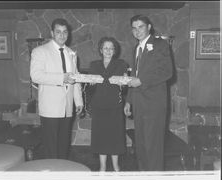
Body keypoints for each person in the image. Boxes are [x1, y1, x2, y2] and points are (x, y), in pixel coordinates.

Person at [124, 15, 173, 171]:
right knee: (141, 146)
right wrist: (128, 100)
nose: (137, 31)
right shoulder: (136, 48)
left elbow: (167, 72)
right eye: (134, 28)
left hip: (154, 104)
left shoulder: (161, 44)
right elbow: (134, 77)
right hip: (138, 103)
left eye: (141, 27)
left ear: (149, 27)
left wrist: (142, 81)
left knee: (153, 147)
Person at [30, 18, 83, 159]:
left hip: (67, 108)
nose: (62, 35)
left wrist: (78, 101)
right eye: (58, 32)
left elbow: (75, 78)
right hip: (50, 109)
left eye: (65, 32)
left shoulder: (71, 53)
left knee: (63, 147)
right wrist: (61, 78)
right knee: (51, 148)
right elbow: (36, 76)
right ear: (52, 33)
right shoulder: (40, 51)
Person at [89, 37, 128, 171]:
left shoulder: (121, 64)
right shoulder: (94, 65)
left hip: (114, 106)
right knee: (101, 137)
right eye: (105, 48)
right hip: (99, 106)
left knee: (115, 137)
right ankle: (103, 166)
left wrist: (123, 84)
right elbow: (90, 89)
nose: (108, 50)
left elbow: (125, 88)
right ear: (101, 50)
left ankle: (116, 166)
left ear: (115, 50)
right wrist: (91, 85)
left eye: (111, 48)